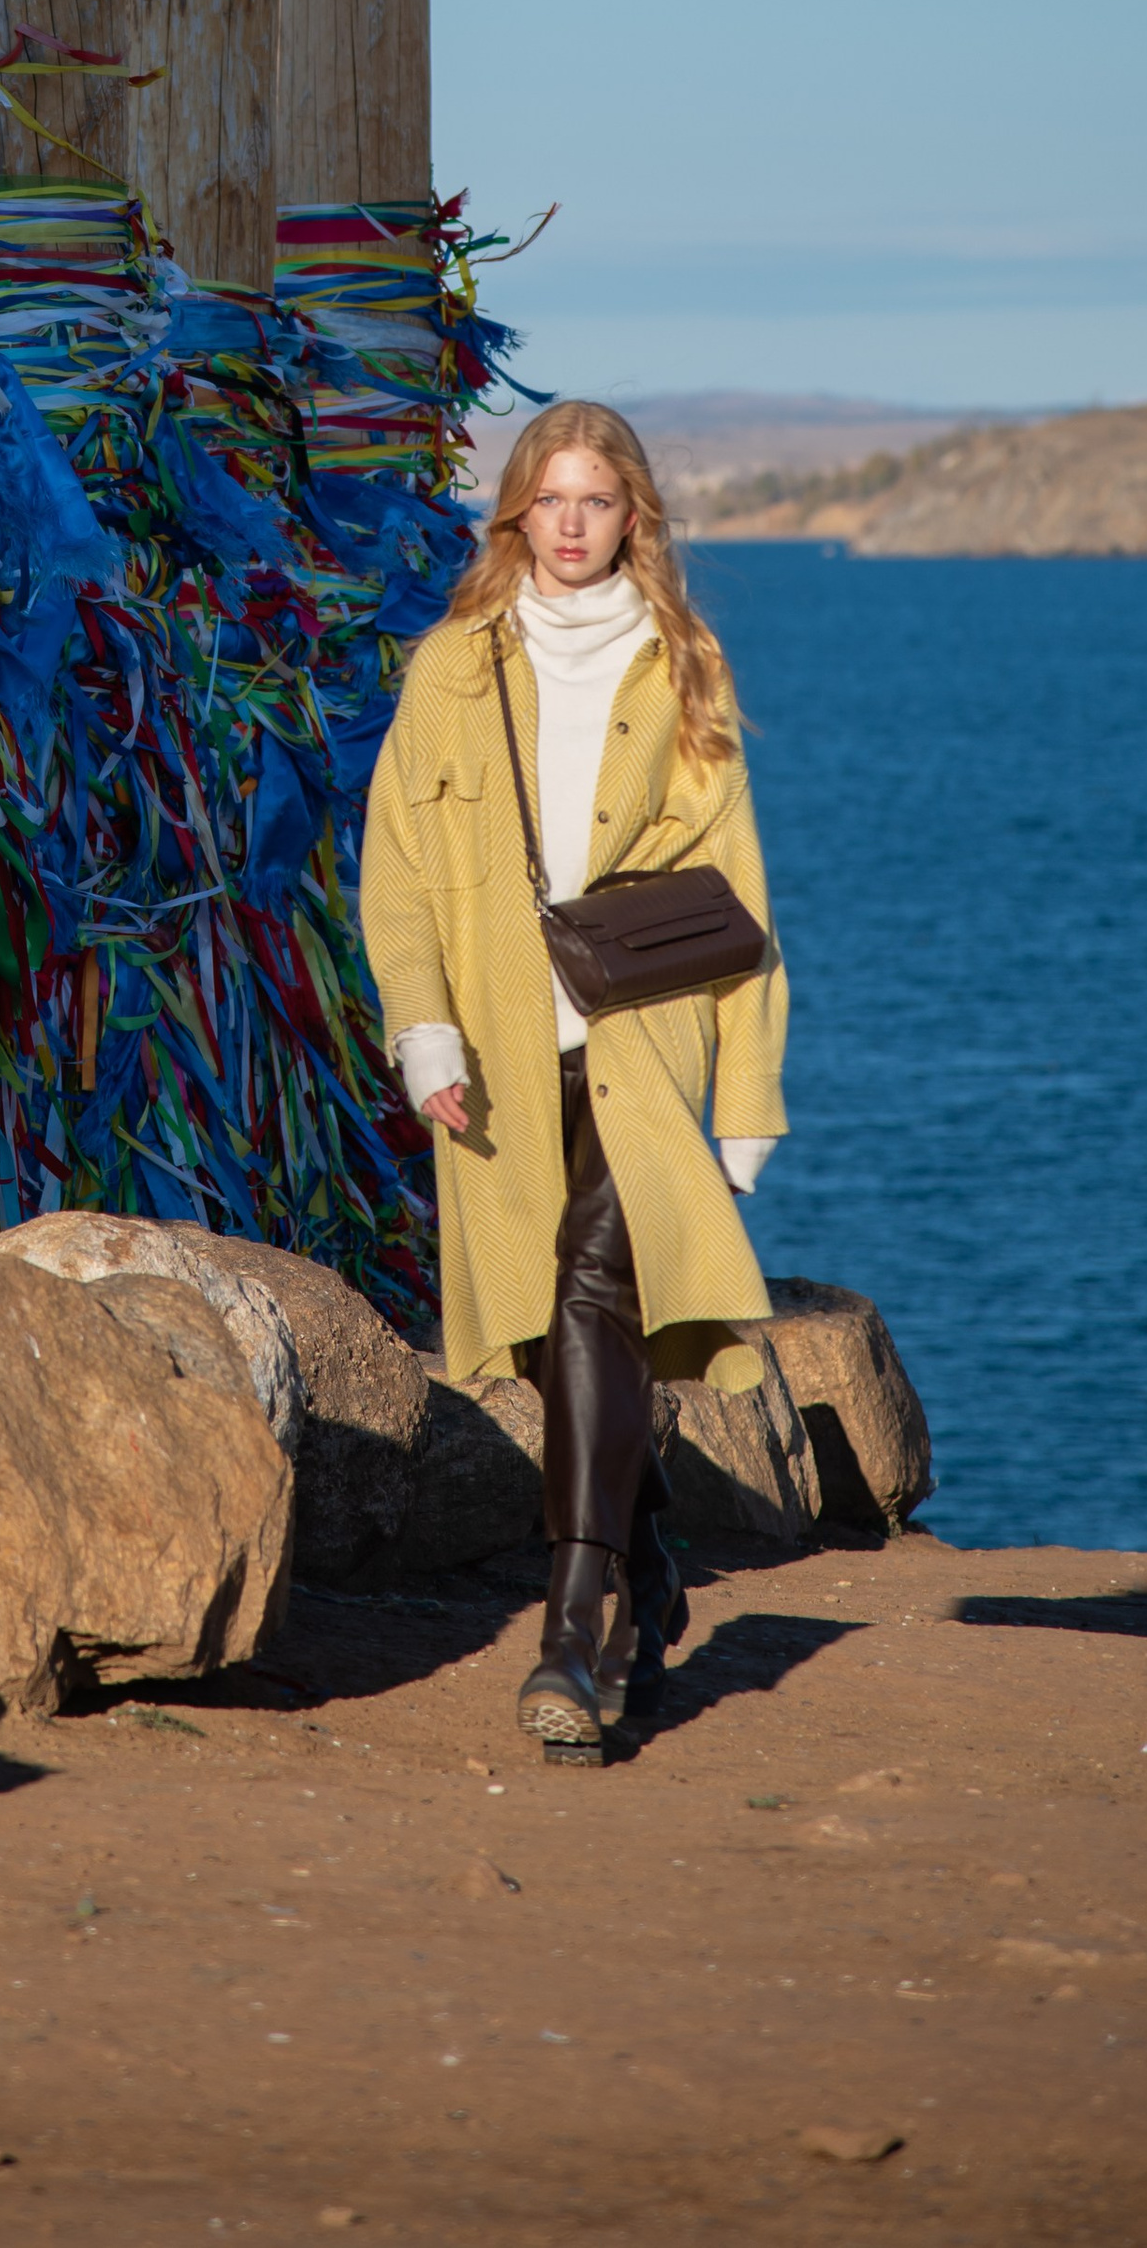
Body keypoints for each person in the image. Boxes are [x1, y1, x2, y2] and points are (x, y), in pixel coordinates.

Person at [358, 398, 789, 1756]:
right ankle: (649, 1560)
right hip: (491, 1039)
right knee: (549, 1332)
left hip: (641, 1043)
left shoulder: (681, 664)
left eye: (598, 501)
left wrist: (748, 1099)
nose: (572, 524)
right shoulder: (451, 666)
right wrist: (421, 1027)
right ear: (516, 514)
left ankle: (574, 1625)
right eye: (550, 498)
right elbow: (399, 867)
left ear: (634, 518)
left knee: (597, 1296)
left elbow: (740, 892)